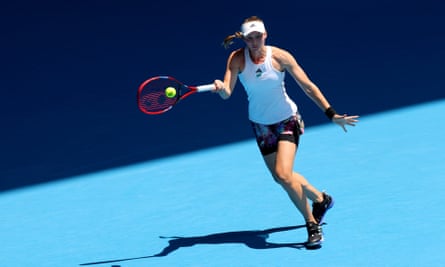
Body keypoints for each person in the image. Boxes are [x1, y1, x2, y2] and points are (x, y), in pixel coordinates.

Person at [212, 16, 359, 247]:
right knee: (282, 177)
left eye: (257, 37)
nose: (254, 42)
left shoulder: (280, 56)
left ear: (265, 35)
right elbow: (227, 93)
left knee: (282, 174)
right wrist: (221, 88)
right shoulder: (237, 58)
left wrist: (331, 114)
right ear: (244, 39)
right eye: (249, 38)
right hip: (260, 125)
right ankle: (321, 200)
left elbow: (308, 86)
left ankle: (312, 225)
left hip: (287, 120)